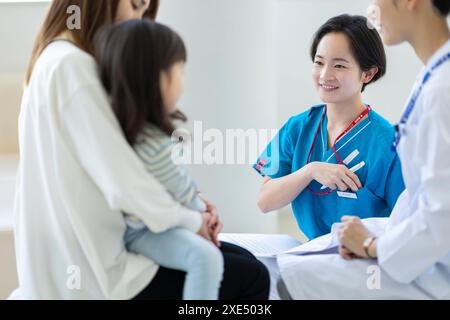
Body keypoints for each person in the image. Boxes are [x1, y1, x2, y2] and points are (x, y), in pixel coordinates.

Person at [11, 0, 269, 300]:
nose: (138, 19)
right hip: (95, 271)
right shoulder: (73, 67)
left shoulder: (57, 57)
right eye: (135, 6)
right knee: (251, 278)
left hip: (97, 247)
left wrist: (188, 205)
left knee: (246, 260)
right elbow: (123, 185)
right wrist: (191, 219)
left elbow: (119, 169)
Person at [280, 0, 450, 299]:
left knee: (284, 279)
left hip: (430, 267)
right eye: (319, 61)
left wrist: (374, 247)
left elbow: (441, 215)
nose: (372, 12)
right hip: (408, 248)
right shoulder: (432, 77)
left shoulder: (441, 90)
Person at [94, 20, 223, 300]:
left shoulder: (124, 129)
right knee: (208, 258)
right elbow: (181, 190)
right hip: (143, 231)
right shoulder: (152, 143)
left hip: (147, 223)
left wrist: (198, 207)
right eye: (180, 71)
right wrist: (203, 213)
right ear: (157, 79)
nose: (183, 81)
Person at [255, 14, 405, 240]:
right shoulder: (298, 127)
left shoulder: (388, 144)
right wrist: (309, 171)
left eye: (339, 65)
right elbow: (265, 201)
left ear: (368, 73)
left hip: (363, 260)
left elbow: (405, 226)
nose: (325, 75)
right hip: (310, 253)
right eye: (319, 62)